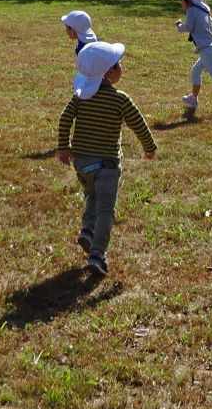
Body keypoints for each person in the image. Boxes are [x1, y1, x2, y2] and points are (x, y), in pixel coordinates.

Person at [56, 41, 156, 279]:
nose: (120, 67)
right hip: (107, 166)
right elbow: (138, 125)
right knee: (106, 210)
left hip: (82, 164)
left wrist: (64, 147)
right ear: (109, 72)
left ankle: (87, 230)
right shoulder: (120, 100)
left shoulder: (80, 98)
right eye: (117, 64)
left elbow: (64, 119)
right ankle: (97, 254)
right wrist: (149, 147)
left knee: (91, 195)